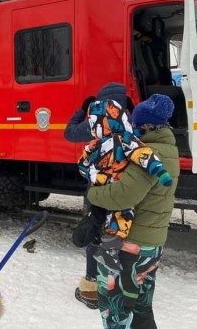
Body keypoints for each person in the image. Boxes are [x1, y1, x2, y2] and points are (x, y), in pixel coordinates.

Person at [87, 94, 179, 329]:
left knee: (115, 312)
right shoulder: (169, 150)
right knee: (140, 310)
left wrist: (92, 194)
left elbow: (124, 195)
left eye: (137, 125)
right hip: (151, 245)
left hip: (129, 246)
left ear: (146, 126)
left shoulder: (148, 152)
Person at [77, 99, 172, 273]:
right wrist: (84, 168)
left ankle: (106, 254)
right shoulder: (101, 142)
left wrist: (160, 172)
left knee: (117, 218)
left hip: (105, 188)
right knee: (113, 217)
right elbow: (85, 159)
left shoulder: (125, 140)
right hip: (104, 186)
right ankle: (102, 249)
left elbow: (143, 156)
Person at [65, 82, 129, 309]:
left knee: (94, 233)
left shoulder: (95, 122)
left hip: (97, 190)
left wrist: (82, 110)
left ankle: (92, 289)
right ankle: (118, 289)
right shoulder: (131, 122)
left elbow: (69, 132)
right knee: (118, 235)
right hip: (123, 191)